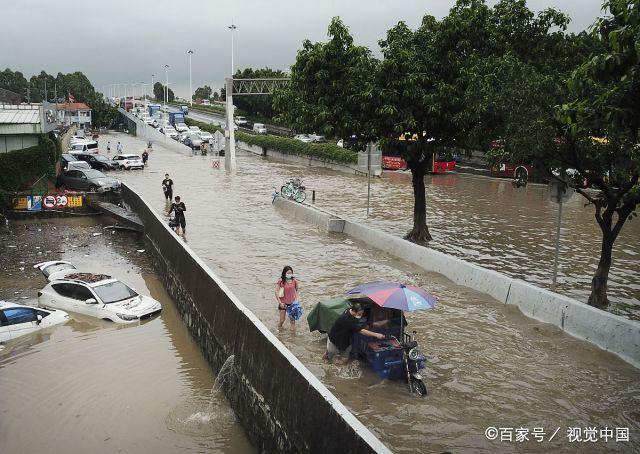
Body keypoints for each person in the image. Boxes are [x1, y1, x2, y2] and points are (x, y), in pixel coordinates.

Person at [274, 266, 302, 331]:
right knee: (282, 321)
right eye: (288, 273)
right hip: (283, 304)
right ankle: (278, 332)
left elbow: (297, 290)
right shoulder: (281, 281)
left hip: (292, 304)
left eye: (290, 273)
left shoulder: (294, 281)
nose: (289, 274)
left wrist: (296, 300)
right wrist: (280, 303)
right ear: (284, 273)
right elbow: (276, 291)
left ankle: (293, 337)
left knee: (292, 322)